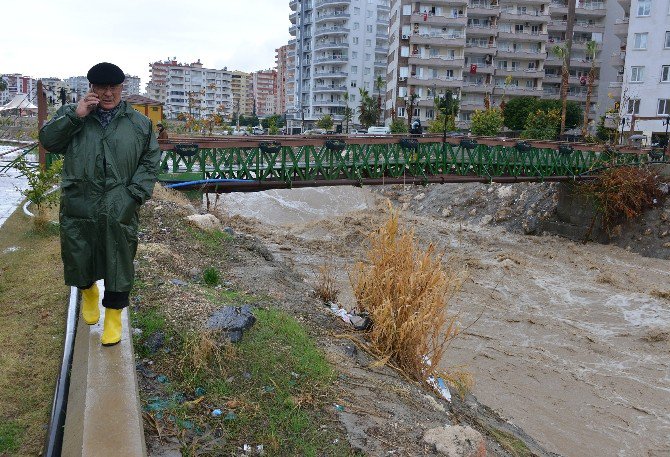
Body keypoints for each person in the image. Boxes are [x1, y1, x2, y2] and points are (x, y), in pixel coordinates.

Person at [39, 62, 161, 346]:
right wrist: (76, 115)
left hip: (120, 201)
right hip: (80, 200)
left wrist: (133, 196)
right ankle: (88, 292)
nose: (107, 94)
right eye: (101, 87)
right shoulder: (75, 115)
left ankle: (114, 316)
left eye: (113, 87)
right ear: (91, 88)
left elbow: (149, 161)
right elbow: (48, 141)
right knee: (78, 252)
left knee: (119, 259)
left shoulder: (139, 123)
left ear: (121, 88)